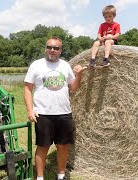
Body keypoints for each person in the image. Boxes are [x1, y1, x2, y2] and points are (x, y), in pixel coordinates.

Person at [24, 37, 86, 180]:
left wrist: (79, 75)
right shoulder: (36, 65)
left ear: (60, 50)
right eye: (50, 47)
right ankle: (40, 177)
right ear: (46, 48)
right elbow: (27, 88)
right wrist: (29, 110)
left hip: (64, 113)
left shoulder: (65, 66)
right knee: (42, 147)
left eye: (56, 48)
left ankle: (61, 175)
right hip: (43, 113)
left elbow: (74, 88)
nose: (52, 50)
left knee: (63, 146)